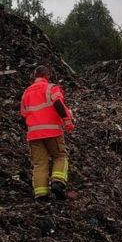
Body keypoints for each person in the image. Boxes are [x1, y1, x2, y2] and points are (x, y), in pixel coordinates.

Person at [20, 65, 75, 200]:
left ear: (35, 76)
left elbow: (23, 114)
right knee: (60, 156)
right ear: (47, 75)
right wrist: (67, 120)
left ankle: (41, 194)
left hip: (33, 134)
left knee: (39, 163)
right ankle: (57, 182)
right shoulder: (51, 88)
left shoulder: (26, 92)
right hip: (52, 131)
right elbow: (58, 104)